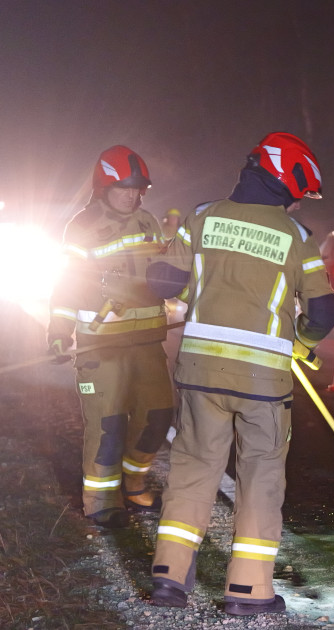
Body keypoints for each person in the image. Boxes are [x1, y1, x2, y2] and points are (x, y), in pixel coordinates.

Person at [144, 132, 334, 615]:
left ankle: (169, 579)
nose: (295, 206)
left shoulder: (201, 216)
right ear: (284, 183)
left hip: (199, 371)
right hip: (263, 383)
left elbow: (162, 282)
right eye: (297, 196)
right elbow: (324, 311)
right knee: (261, 478)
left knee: (191, 469)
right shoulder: (296, 238)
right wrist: (304, 343)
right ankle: (247, 592)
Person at [47, 145, 175, 529]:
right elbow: (67, 284)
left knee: (158, 416)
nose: (133, 195)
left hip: (149, 343)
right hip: (101, 347)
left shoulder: (149, 221)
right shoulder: (81, 227)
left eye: (139, 188)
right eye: (125, 188)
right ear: (104, 187)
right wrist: (58, 332)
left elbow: (165, 274)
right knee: (108, 425)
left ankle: (134, 483)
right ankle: (101, 500)